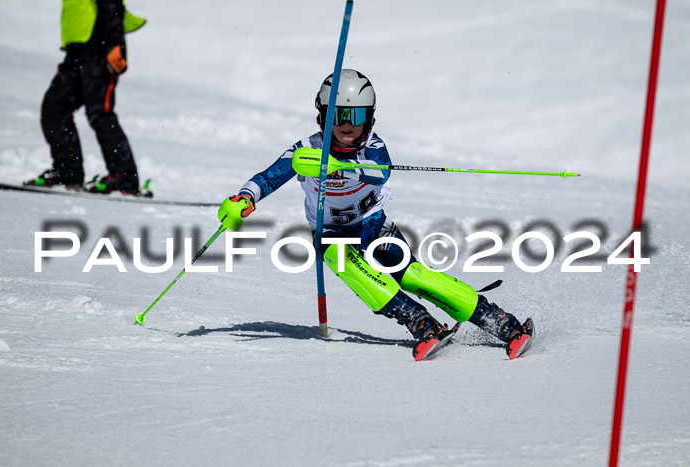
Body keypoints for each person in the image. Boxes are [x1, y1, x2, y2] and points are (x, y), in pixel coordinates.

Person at [219, 69, 534, 360]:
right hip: (331, 234)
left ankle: (502, 323)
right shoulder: (306, 150)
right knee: (352, 270)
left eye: (355, 115)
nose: (347, 123)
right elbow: (269, 177)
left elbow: (379, 173)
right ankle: (421, 323)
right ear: (322, 117)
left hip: (374, 227)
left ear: (369, 119)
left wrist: (337, 166)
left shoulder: (373, 145)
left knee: (413, 276)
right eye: (337, 114)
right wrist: (244, 198)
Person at [25, 0, 146, 195]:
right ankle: (68, 171)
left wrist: (114, 43)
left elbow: (112, 4)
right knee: (54, 108)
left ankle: (124, 177)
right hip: (77, 50)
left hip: (100, 47)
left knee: (100, 112)